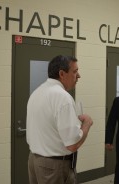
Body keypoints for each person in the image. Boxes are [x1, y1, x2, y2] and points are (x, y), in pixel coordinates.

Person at [26, 55, 93, 184]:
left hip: (34, 161)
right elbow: (72, 145)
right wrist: (87, 124)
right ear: (62, 74)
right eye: (74, 71)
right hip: (53, 166)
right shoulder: (63, 98)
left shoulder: (37, 92)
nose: (78, 76)